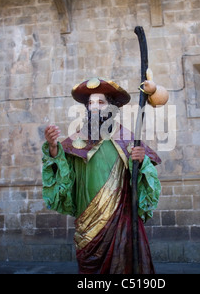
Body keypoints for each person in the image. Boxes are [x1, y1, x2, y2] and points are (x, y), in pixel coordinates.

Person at [41, 77, 162, 274]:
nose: (94, 107)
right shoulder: (76, 140)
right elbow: (63, 171)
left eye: (100, 102)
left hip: (120, 222)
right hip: (87, 222)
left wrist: (141, 161)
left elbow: (145, 179)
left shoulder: (127, 138)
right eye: (90, 103)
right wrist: (54, 149)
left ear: (112, 107)